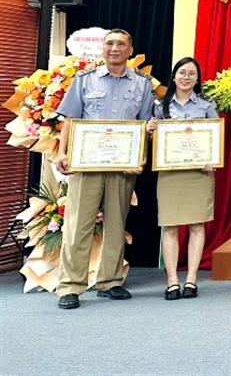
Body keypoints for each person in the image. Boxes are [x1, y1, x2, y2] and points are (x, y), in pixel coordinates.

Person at [54, 29, 155, 309]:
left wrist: (140, 158)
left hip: (122, 166)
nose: (114, 48)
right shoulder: (84, 79)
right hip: (86, 163)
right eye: (109, 43)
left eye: (121, 44)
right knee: (78, 224)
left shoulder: (143, 84)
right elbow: (70, 119)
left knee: (116, 223)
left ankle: (109, 281)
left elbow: (144, 126)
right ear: (103, 48)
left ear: (130, 50)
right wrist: (62, 152)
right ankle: (70, 286)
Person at [147, 57, 218, 300]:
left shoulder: (207, 105)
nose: (186, 77)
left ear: (197, 79)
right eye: (182, 73)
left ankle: (191, 279)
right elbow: (153, 140)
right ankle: (172, 281)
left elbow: (215, 136)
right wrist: (150, 131)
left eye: (191, 74)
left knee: (197, 225)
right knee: (170, 226)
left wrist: (212, 158)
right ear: (174, 76)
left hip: (199, 173)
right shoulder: (160, 105)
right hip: (171, 173)